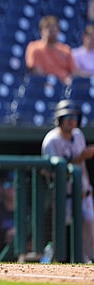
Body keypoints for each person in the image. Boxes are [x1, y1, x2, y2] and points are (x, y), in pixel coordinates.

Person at [41, 100, 94, 263]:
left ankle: (89, 263)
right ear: (59, 119)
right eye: (67, 116)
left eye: (74, 116)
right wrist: (80, 157)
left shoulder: (78, 135)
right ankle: (47, 260)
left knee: (90, 226)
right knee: (58, 236)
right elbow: (55, 172)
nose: (71, 120)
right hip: (64, 197)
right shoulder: (52, 141)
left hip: (84, 195)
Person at [25, 15, 80, 85]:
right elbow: (37, 71)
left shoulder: (65, 49)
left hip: (65, 85)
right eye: (47, 27)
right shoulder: (34, 47)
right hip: (45, 84)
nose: (51, 31)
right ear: (41, 31)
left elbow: (74, 71)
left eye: (54, 28)